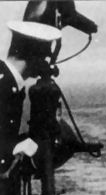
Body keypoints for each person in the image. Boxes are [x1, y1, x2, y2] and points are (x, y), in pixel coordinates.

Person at [1, 21, 62, 173]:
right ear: (32, 55)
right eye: (44, 58)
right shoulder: (4, 84)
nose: (46, 64)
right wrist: (12, 148)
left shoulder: (12, 83)